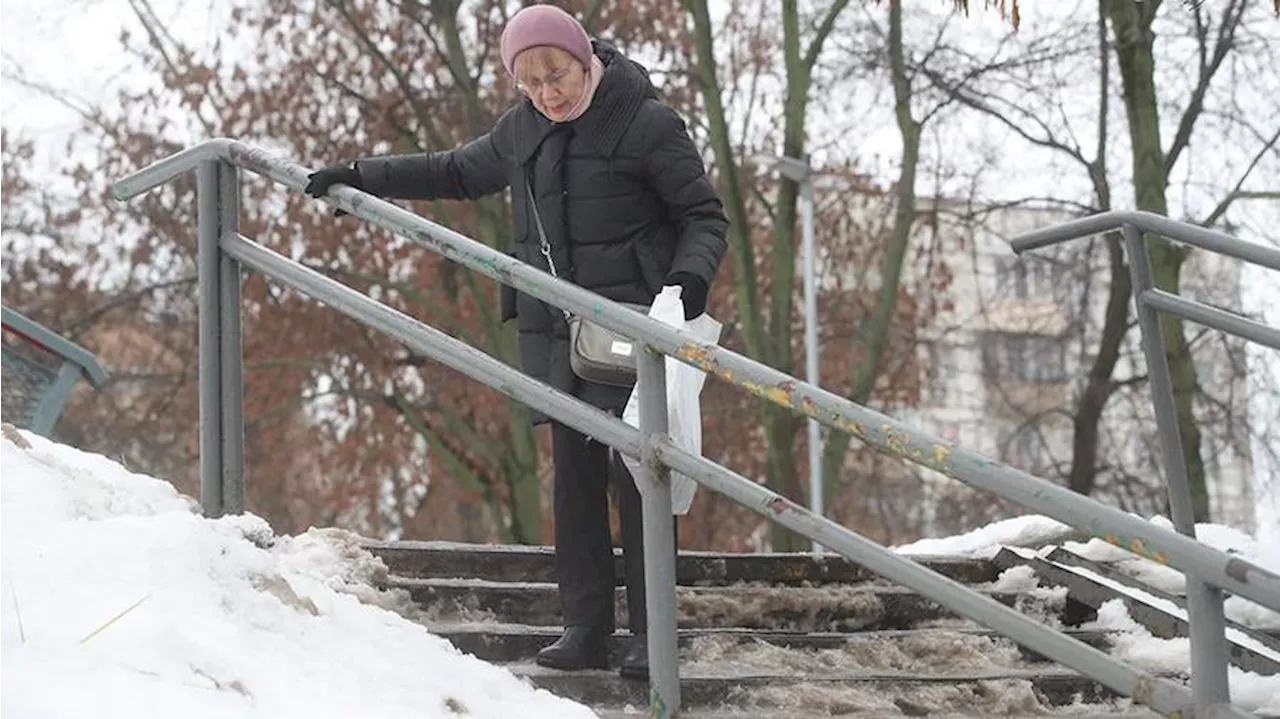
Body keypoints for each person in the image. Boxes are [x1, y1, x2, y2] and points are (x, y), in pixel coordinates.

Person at [304, 4, 728, 680]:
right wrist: (358, 173)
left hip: (635, 332)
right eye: (529, 83)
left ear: (585, 58)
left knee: (637, 476)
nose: (548, 93)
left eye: (556, 75)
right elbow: (453, 171)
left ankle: (652, 636)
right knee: (573, 481)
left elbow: (703, 216)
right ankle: (585, 627)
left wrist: (684, 286)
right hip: (557, 334)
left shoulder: (646, 123)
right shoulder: (524, 129)